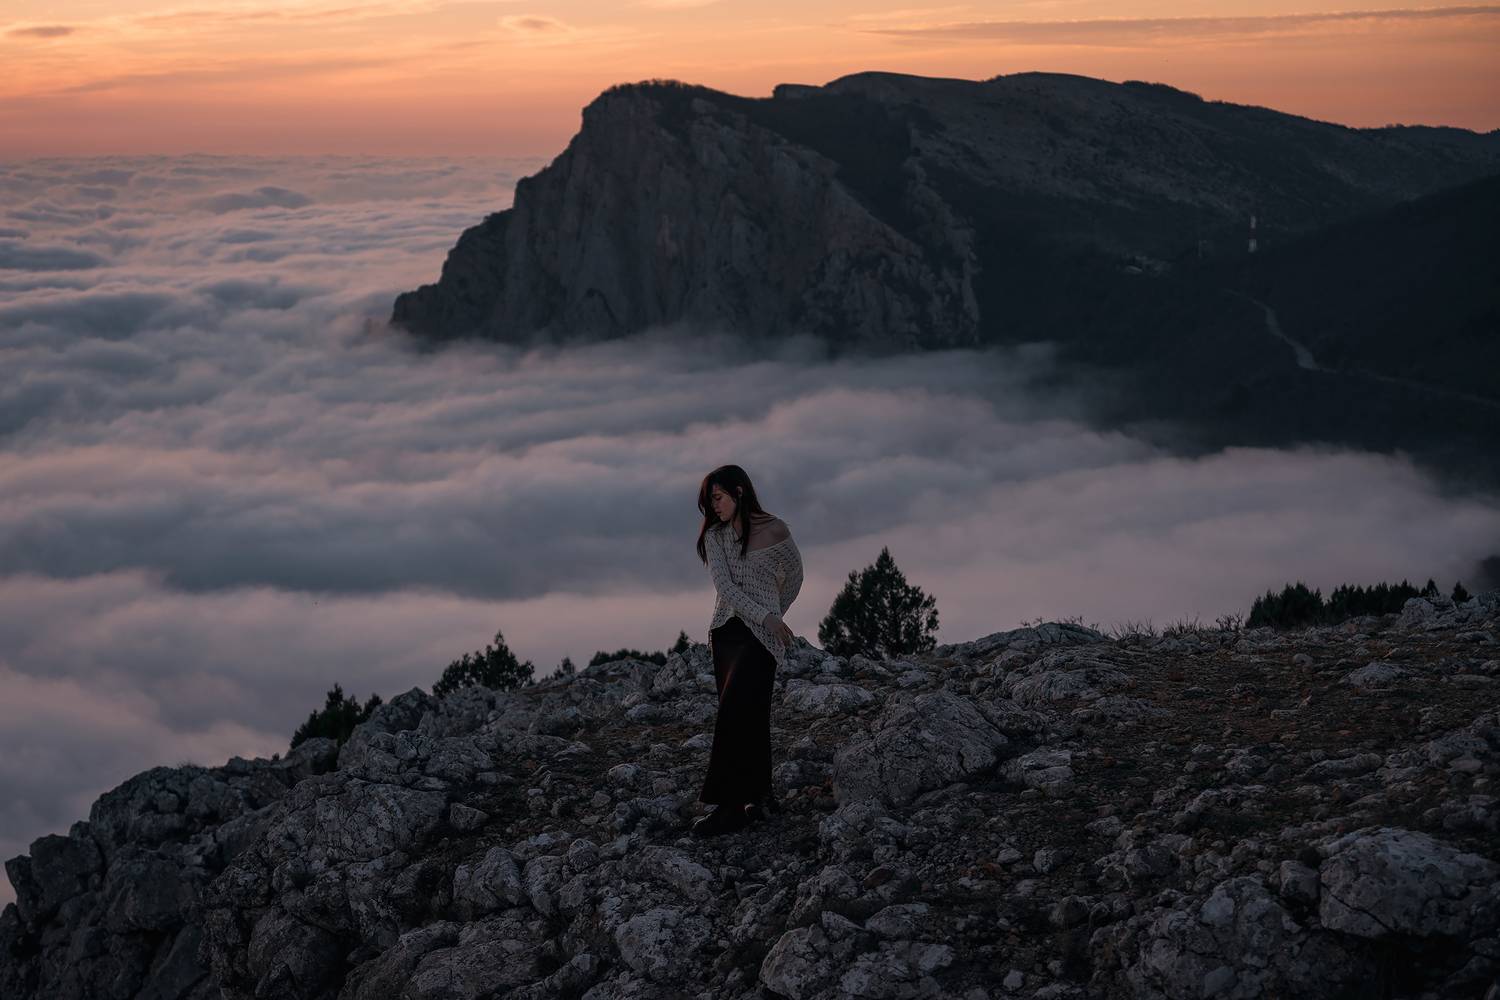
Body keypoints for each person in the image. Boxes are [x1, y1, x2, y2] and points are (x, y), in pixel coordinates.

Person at [691, 465, 804, 837]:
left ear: (739, 492)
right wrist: (767, 616)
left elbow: (795, 575)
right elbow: (727, 590)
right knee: (737, 711)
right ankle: (743, 800)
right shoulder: (716, 537)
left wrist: (776, 615)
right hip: (728, 633)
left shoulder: (776, 529)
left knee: (746, 712)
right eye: (710, 502)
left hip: (763, 640)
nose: (714, 508)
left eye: (719, 499)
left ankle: (742, 802)